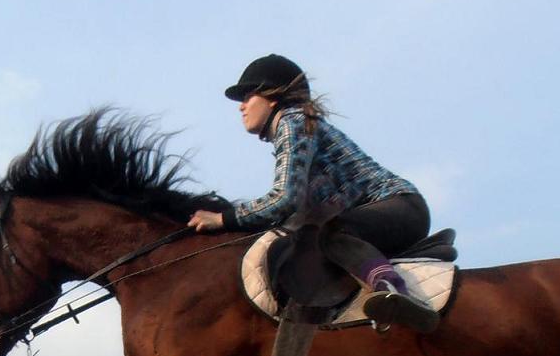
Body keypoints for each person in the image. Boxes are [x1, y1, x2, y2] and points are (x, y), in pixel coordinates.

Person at [188, 54, 439, 333]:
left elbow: (283, 199)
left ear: (272, 97)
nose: (242, 107)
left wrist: (224, 220)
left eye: (248, 96)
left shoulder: (292, 122)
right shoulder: (296, 126)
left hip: (399, 207)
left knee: (328, 234)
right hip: (393, 211)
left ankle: (393, 289)